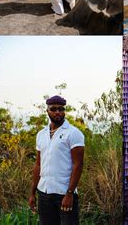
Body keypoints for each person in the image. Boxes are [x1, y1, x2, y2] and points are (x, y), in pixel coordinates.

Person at [29, 95, 84, 225]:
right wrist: (32, 193)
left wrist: (69, 194)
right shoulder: (41, 135)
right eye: (53, 109)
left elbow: (78, 165)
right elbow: (38, 165)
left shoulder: (73, 133)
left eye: (61, 109)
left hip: (64, 194)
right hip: (44, 193)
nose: (57, 112)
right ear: (47, 111)